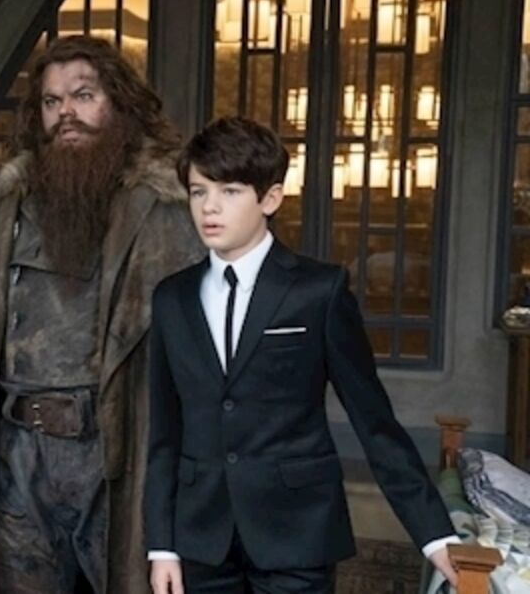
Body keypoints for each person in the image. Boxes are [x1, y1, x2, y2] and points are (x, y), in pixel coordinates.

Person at [0, 35, 204, 592]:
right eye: (52, 102)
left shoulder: (166, 210)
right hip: (16, 448)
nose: (66, 114)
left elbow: (196, 345)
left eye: (83, 95)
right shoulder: (8, 205)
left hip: (112, 448)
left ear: (120, 103)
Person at [144, 116, 459, 593]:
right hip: (200, 537)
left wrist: (435, 535)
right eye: (198, 191)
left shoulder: (319, 291)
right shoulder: (172, 297)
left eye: (230, 191)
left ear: (270, 198)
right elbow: (164, 434)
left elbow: (374, 422)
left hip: (297, 533)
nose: (209, 207)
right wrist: (161, 547)